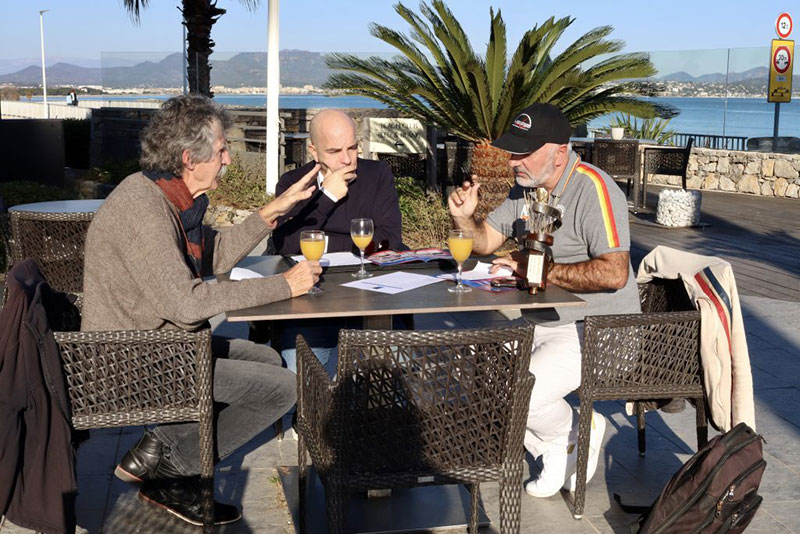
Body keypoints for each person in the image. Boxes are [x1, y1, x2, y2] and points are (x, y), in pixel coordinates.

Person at [81, 95, 323, 525]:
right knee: (283, 389)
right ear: (190, 158)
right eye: (223, 149)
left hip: (160, 345)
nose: (229, 158)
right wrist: (283, 286)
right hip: (131, 361)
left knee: (265, 358)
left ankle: (159, 446)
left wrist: (273, 210)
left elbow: (214, 258)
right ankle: (176, 469)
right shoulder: (145, 211)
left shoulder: (168, 196)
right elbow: (187, 303)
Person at [448, 103, 641, 498]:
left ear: (558, 152)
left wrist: (538, 271)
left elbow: (615, 273)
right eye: (512, 150)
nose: (512, 160)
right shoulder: (527, 190)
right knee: (475, 371)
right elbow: (486, 241)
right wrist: (465, 219)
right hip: (544, 320)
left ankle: (561, 439)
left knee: (522, 393)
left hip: (599, 330)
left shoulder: (593, 188)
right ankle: (568, 434)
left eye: (523, 151)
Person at [264, 109, 404, 377]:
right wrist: (326, 197)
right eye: (335, 151)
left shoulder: (376, 176)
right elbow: (286, 245)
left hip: (371, 296)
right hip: (312, 303)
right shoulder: (293, 183)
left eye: (352, 148)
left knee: (389, 375)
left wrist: (320, 237)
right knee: (300, 375)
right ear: (314, 151)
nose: (347, 159)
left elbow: (390, 241)